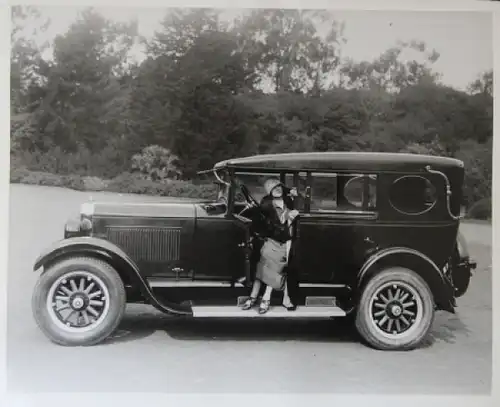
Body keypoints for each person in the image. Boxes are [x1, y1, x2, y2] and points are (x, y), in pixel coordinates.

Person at [241, 177, 300, 314]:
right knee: (264, 268)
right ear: (269, 191)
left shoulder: (288, 200)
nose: (278, 189)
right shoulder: (266, 204)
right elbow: (268, 225)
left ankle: (263, 298)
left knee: (275, 269)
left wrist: (291, 191)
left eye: (279, 187)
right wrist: (288, 219)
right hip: (272, 240)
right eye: (274, 188)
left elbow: (299, 201)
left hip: (286, 242)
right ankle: (255, 297)